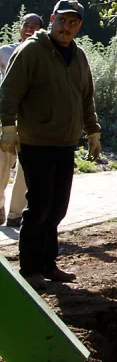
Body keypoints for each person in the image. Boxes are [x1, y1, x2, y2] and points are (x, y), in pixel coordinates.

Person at [0, 0, 101, 289]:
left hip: (65, 142)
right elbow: (9, 92)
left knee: (58, 208)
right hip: (36, 141)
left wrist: (93, 131)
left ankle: (48, 264)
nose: (66, 27)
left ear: (79, 26)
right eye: (62, 20)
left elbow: (86, 97)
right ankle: (30, 268)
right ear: (52, 18)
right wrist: (8, 127)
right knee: (40, 205)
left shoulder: (78, 55)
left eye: (73, 23)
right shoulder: (31, 50)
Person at [0, 13, 43, 228]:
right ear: (20, 27)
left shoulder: (45, 55)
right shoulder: (4, 52)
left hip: (32, 118)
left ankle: (16, 213)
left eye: (35, 26)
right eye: (26, 25)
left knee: (26, 167)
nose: (29, 29)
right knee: (1, 161)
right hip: (6, 115)